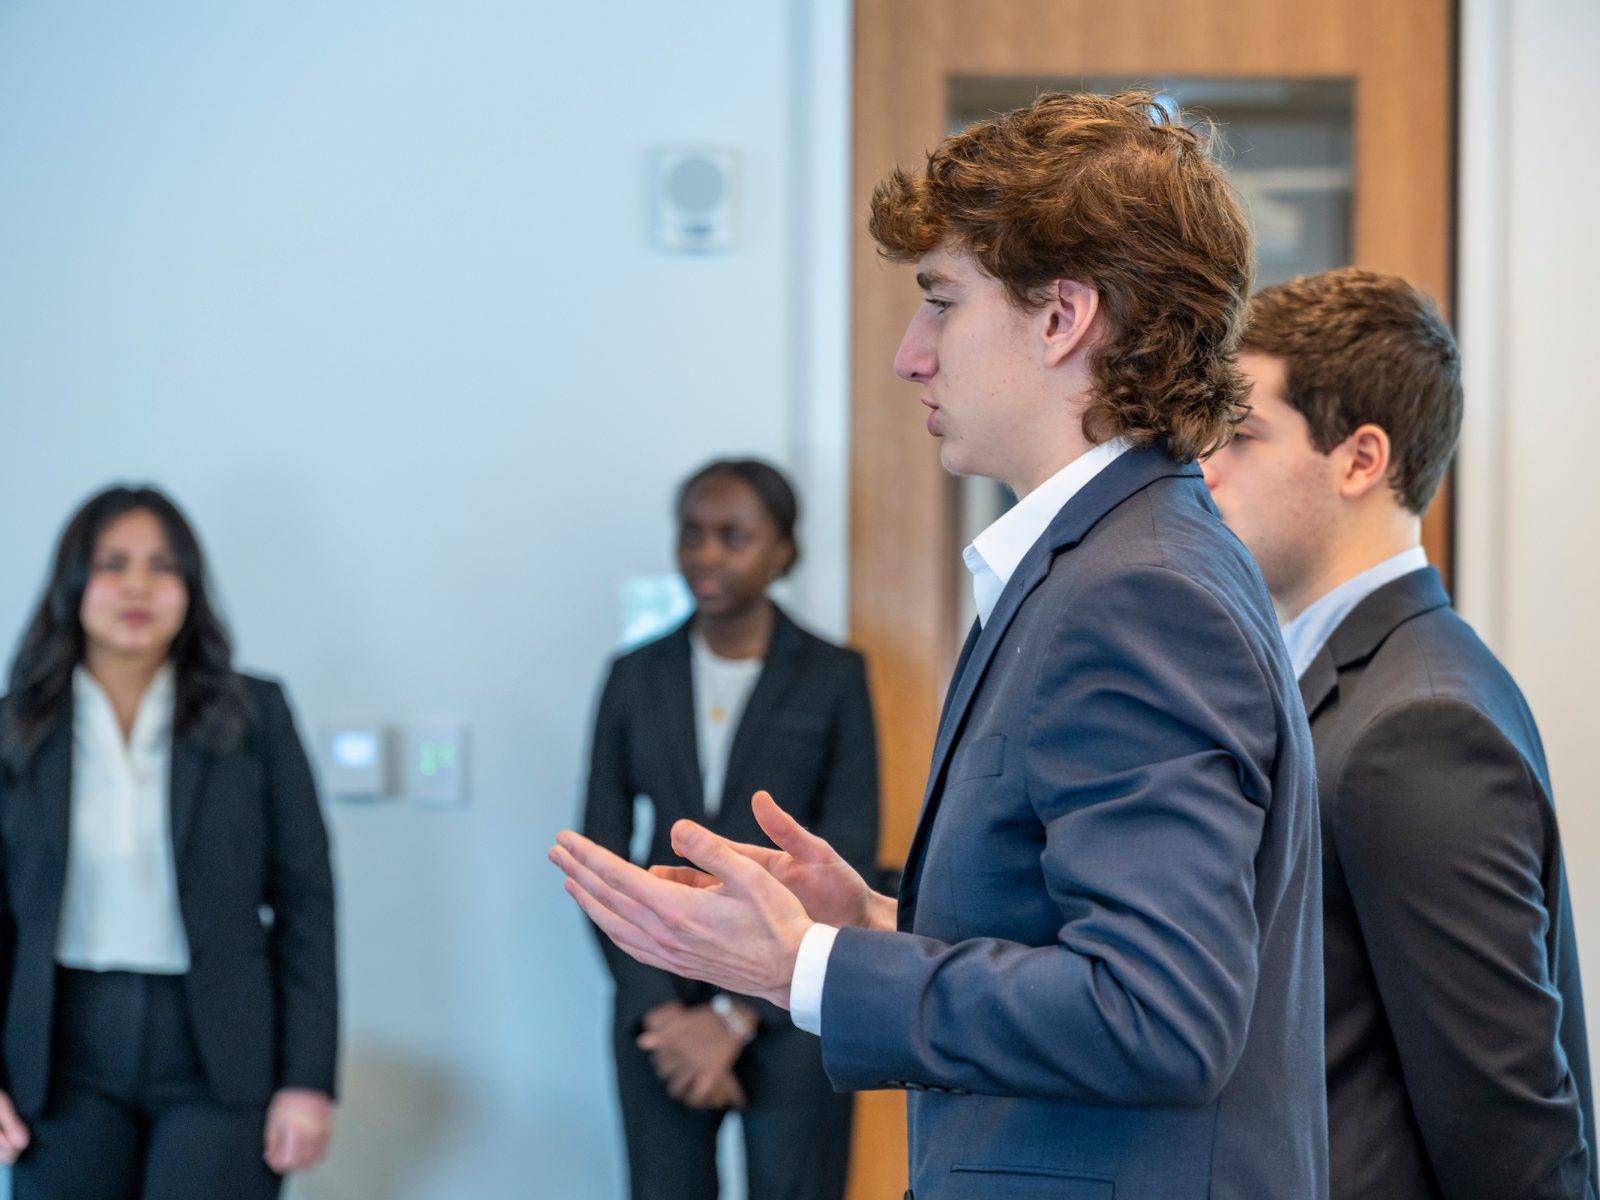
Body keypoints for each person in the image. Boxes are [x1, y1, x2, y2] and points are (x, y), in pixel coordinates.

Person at [553, 91, 1327, 1200]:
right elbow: (1066, 934)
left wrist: (805, 968)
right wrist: (864, 921)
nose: (912, 356)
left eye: (941, 303)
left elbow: (1157, 1015)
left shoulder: (1138, 593)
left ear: (1062, 318)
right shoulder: (1103, 562)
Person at [1202, 267, 1597, 1200]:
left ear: (1360, 460)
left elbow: (1508, 1126)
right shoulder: (1351, 680)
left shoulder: (1416, 724)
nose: (1205, 466)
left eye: (1243, 436)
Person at [0, 485, 338, 1199]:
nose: (137, 586)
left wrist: (308, 1079)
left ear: (190, 587)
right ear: (72, 584)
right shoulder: (17, 728)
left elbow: (308, 905)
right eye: (112, 563)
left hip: (218, 1050)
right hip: (60, 1052)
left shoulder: (255, 716)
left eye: (162, 565)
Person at [581, 459, 878, 1200]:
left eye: (733, 537)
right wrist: (662, 1012)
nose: (706, 555)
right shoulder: (632, 675)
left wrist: (735, 1016)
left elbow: (852, 844)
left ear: (783, 551)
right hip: (659, 1003)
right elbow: (600, 851)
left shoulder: (835, 676)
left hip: (791, 1002)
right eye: (692, 535)